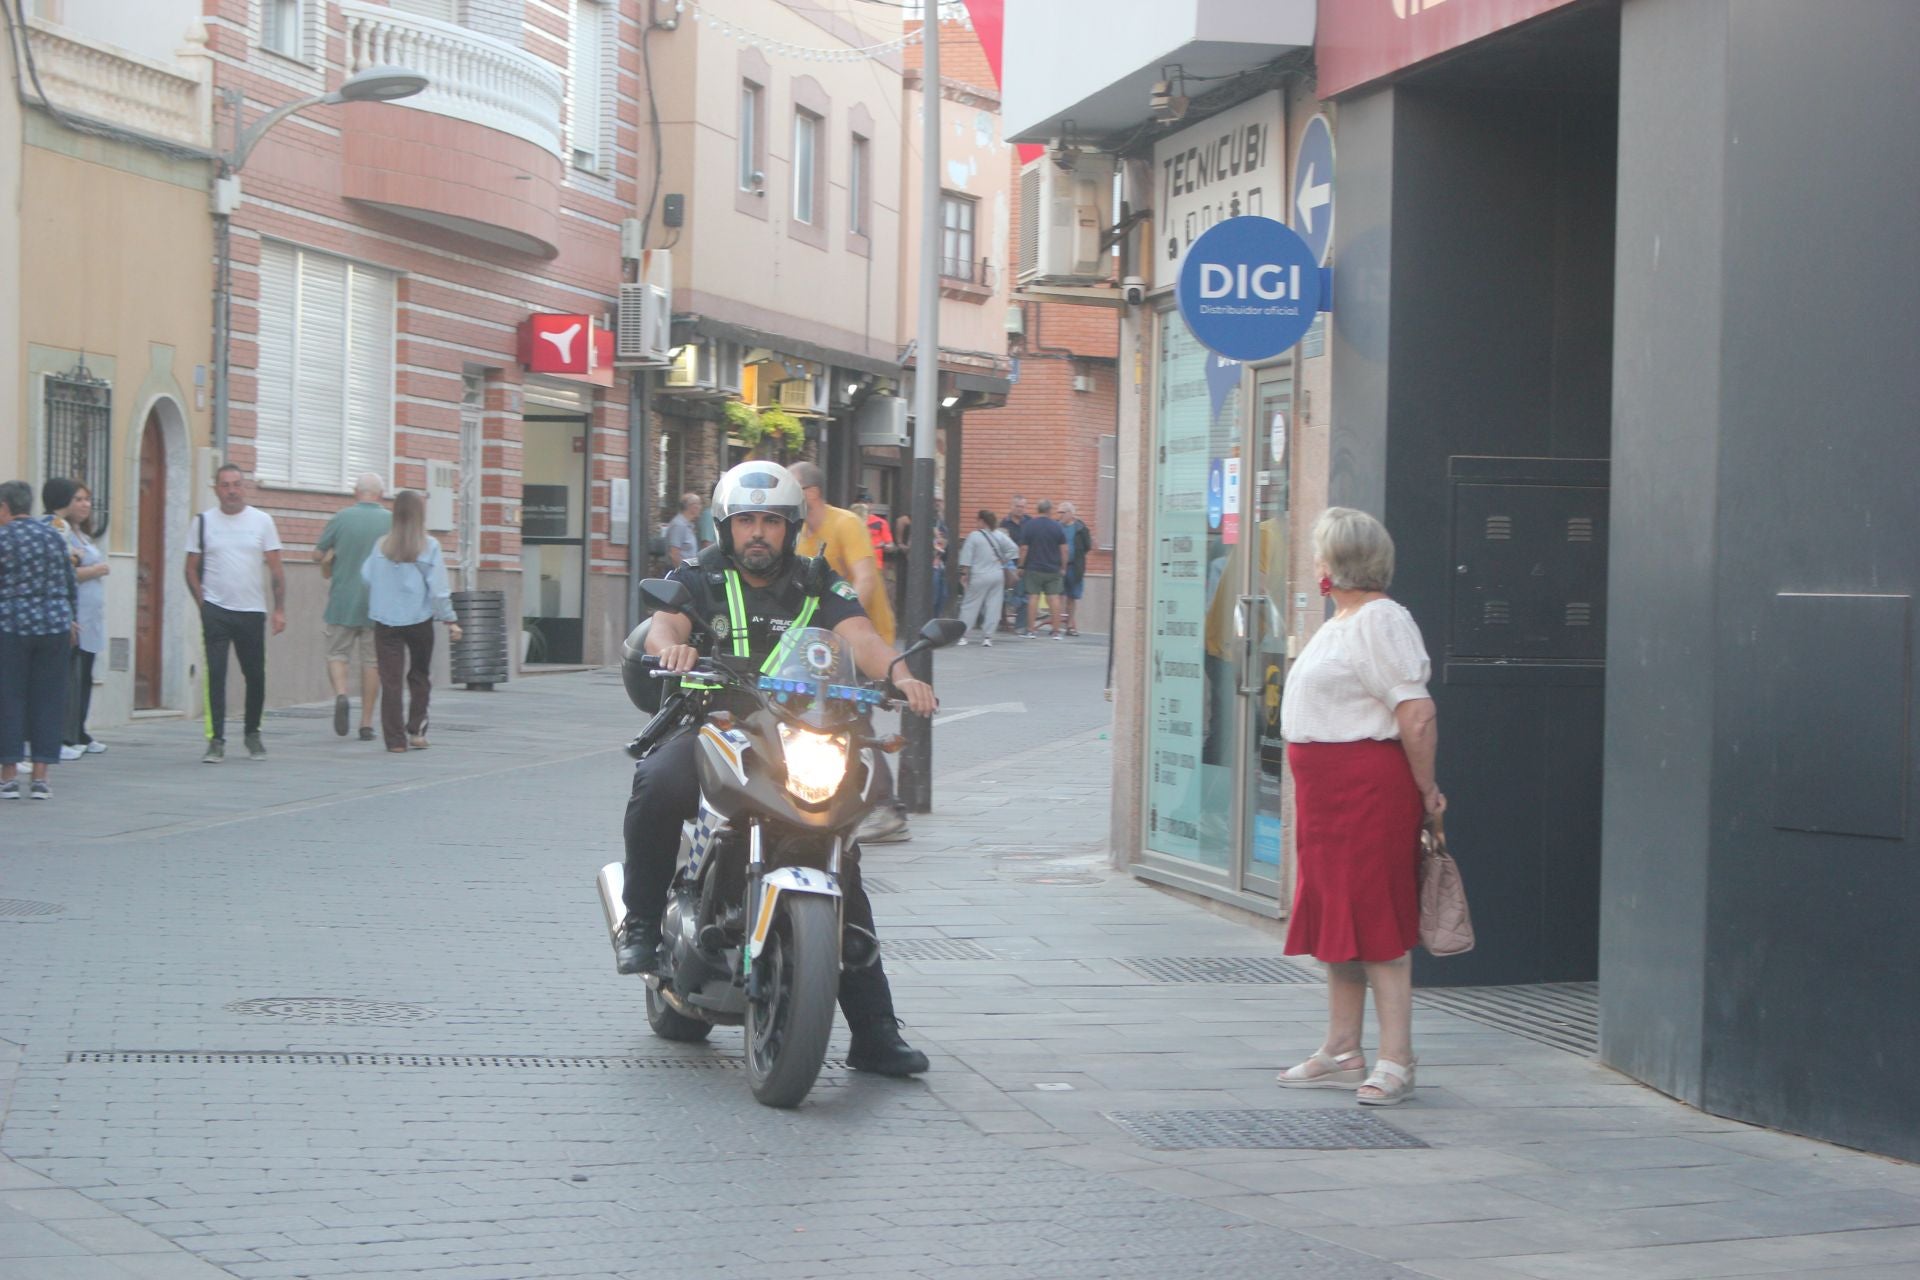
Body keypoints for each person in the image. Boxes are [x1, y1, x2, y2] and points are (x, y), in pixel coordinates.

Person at [616, 461, 938, 1077]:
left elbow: (862, 637)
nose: (757, 533)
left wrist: (899, 675)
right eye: (746, 522)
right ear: (726, 526)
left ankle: (874, 1033)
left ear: (791, 526)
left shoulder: (819, 581)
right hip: (718, 722)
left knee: (840, 855)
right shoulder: (701, 573)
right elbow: (665, 622)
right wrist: (673, 649)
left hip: (802, 729)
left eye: (770, 521)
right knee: (658, 783)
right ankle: (641, 924)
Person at [1275, 508, 1444, 1108]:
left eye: (1320, 552)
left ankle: (1398, 1058)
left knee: (1376, 925)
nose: (1315, 562)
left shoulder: (1380, 619)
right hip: (1326, 795)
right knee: (1336, 920)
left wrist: (1427, 793)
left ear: (1338, 562)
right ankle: (1343, 1047)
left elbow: (1416, 712)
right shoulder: (1341, 620)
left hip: (1367, 791)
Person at [788, 462, 910, 846]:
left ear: (810, 493)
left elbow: (866, 578)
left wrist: (840, 615)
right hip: (817, 646)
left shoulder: (845, 524)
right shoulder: (796, 535)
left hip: (860, 638)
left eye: (789, 489)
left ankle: (887, 809)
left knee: (856, 719)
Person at [184, 464, 285, 763]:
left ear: (245, 487)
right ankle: (215, 740)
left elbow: (276, 569)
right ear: (216, 489)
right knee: (215, 674)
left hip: (251, 611)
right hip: (216, 610)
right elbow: (190, 568)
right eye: (225, 485)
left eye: (236, 484)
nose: (231, 490)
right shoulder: (203, 523)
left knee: (254, 675)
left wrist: (279, 609)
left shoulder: (262, 521)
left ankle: (253, 733)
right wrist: (204, 606)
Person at [361, 490, 462, 753]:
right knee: (419, 675)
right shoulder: (429, 546)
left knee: (390, 681)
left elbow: (367, 576)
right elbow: (438, 589)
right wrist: (449, 619)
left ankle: (395, 741)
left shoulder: (380, 545)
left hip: (385, 620)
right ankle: (416, 730)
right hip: (418, 618)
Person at [0, 479, 76, 800]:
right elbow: (69, 580)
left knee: (10, 698)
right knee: (48, 698)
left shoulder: (3, 538)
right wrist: (71, 618)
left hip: (12, 625)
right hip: (54, 625)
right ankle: (42, 776)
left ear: (4, 508)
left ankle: (9, 776)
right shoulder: (53, 535)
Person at [315, 474, 390, 741]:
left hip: (342, 600)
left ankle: (341, 694)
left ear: (355, 492)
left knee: (337, 653)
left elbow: (318, 553)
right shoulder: (390, 521)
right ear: (380, 494)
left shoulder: (341, 518)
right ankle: (367, 723)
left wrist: (330, 558)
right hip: (377, 604)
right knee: (372, 662)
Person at [42, 478, 109, 760]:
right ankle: (63, 735)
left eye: (86, 499)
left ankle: (79, 731)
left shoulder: (82, 534)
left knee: (83, 676)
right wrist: (96, 570)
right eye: (78, 499)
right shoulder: (58, 530)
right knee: (69, 677)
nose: (83, 505)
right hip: (73, 614)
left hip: (91, 617)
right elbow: (63, 572)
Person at [955, 510, 1016, 646]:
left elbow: (966, 558)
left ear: (982, 521)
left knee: (970, 605)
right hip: (997, 574)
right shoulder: (999, 535)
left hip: (979, 575)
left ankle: (963, 635)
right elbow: (1013, 549)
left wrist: (964, 575)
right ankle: (988, 637)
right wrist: (1003, 560)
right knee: (993, 606)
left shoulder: (974, 536)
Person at [1016, 499, 1069, 640]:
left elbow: (1024, 548)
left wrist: (1021, 566)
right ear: (1050, 511)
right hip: (1053, 569)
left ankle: (1031, 630)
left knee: (1033, 597)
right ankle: (1056, 631)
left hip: (1034, 568)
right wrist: (1063, 567)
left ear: (1038, 510)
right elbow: (1064, 550)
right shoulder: (1057, 527)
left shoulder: (1029, 525)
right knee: (1054, 598)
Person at [1056, 501, 1093, 639]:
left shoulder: (1081, 528)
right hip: (1059, 567)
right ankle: (1057, 626)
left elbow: (1087, 546)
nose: (1060, 515)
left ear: (1071, 514)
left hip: (1074, 567)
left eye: (1062, 512)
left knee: (1072, 597)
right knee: (1058, 596)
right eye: (1058, 512)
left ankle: (1070, 626)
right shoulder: (1057, 527)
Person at [999, 495, 1028, 633]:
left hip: (1025, 564)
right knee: (1004, 595)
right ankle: (1003, 621)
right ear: (1012, 506)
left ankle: (1020, 625)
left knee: (1023, 595)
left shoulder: (1029, 522)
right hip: (1009, 564)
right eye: (1018, 506)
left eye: (1023, 506)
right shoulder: (1004, 523)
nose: (1020, 509)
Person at [664, 492, 702, 569]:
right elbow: (674, 554)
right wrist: (681, 572)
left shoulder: (688, 525)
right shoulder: (679, 525)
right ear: (692, 507)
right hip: (680, 573)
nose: (700, 507)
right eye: (698, 504)